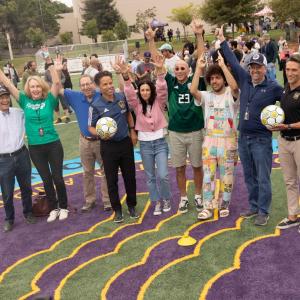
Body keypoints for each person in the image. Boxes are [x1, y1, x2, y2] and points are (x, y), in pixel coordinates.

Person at [217, 25, 283, 226]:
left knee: (263, 177)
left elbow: (288, 102)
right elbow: (232, 61)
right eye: (252, 66)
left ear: (264, 68)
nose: (254, 70)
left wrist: (284, 123)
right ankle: (254, 206)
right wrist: (221, 41)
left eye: (258, 67)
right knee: (249, 175)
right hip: (243, 137)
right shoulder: (245, 79)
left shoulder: (273, 87)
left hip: (262, 140)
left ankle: (263, 210)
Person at [146, 20, 206, 214]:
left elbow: (202, 58)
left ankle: (197, 196)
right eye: (177, 68)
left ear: (188, 70)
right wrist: (151, 40)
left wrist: (198, 35)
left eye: (183, 68)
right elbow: (158, 61)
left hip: (196, 130)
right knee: (179, 168)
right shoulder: (170, 82)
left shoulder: (197, 81)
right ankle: (182, 198)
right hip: (176, 133)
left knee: (197, 166)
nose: (179, 70)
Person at [0, 56, 69, 223]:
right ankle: (53, 208)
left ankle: (64, 206)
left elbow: (57, 84)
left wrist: (52, 66)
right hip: (36, 148)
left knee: (58, 178)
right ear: (28, 89)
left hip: (53, 145)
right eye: (32, 87)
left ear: (41, 87)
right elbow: (8, 84)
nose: (36, 89)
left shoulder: (49, 100)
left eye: (38, 86)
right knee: (46, 179)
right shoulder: (24, 100)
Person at [118, 55, 172, 216]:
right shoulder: (136, 105)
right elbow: (128, 93)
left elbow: (162, 88)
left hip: (160, 143)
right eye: (142, 90)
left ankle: (167, 198)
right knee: (150, 177)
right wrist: (126, 77)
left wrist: (161, 72)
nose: (145, 92)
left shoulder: (159, 103)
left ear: (151, 90)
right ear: (139, 92)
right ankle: (156, 202)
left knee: (163, 175)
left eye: (148, 89)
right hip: (145, 145)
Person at [190, 51, 240, 220]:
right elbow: (193, 89)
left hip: (228, 141)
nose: (214, 81)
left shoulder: (231, 94)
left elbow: (234, 87)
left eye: (217, 78)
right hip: (210, 142)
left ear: (223, 79)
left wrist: (223, 66)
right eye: (211, 78)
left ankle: (225, 203)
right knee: (208, 175)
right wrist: (198, 69)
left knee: (227, 175)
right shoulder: (206, 96)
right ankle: (208, 206)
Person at [88, 71, 138, 223]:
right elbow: (90, 127)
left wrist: (132, 131)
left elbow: (128, 114)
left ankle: (131, 205)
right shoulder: (95, 106)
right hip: (108, 147)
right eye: (105, 84)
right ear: (98, 87)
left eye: (110, 82)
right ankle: (117, 210)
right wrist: (101, 133)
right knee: (111, 180)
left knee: (130, 177)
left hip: (125, 143)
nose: (109, 86)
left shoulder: (121, 97)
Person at [63, 74, 111, 212]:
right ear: (80, 87)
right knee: (87, 172)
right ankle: (90, 200)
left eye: (88, 83)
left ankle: (107, 200)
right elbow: (58, 87)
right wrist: (56, 69)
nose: (86, 87)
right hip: (84, 141)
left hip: (102, 141)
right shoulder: (76, 97)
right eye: (83, 85)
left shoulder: (102, 95)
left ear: (93, 84)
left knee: (106, 170)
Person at [269, 54, 300, 230]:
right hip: (283, 140)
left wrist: (287, 126)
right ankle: (292, 216)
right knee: (289, 181)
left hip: (298, 140)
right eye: (288, 69)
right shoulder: (286, 88)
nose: (290, 72)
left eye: (294, 70)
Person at [0, 85, 36, 232]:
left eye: (6, 97)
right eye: (1, 98)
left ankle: (28, 212)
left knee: (26, 188)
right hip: (3, 160)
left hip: (22, 155)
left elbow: (32, 108)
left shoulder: (19, 112)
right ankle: (9, 218)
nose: (5, 100)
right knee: (7, 193)